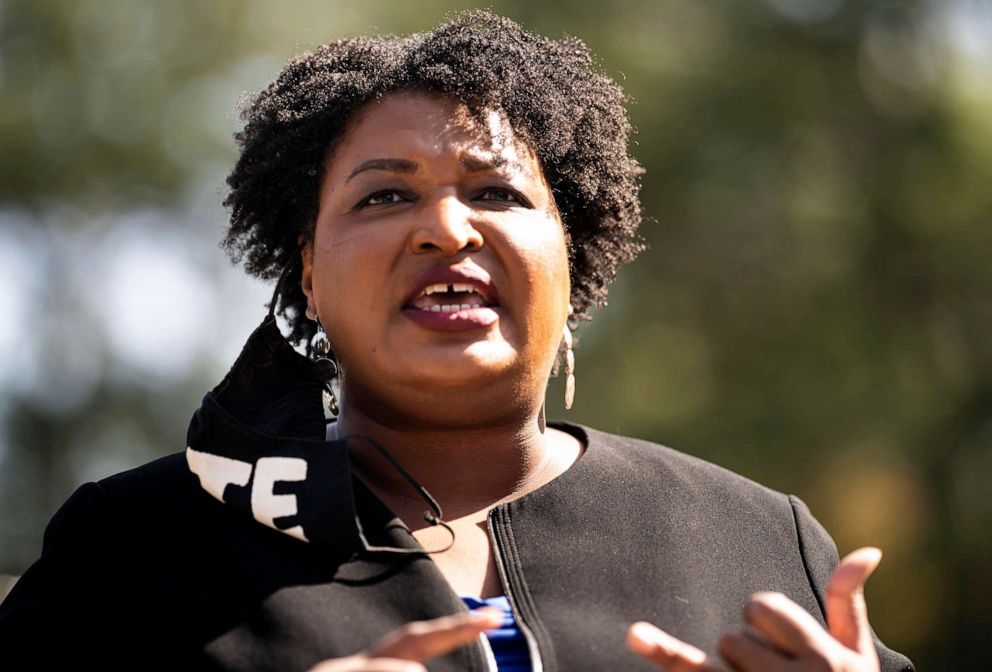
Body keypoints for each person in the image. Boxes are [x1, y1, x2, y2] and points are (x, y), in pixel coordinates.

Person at [0, 11, 912, 672]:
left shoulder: (763, 547)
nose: (445, 229)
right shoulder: (132, 548)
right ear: (308, 276)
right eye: (384, 196)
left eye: (497, 193)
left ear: (574, 257)